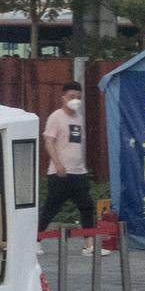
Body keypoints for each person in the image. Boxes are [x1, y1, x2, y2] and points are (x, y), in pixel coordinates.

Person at [40, 81, 98, 250]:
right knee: (51, 208)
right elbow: (49, 141)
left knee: (87, 206)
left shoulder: (79, 118)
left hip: (79, 172)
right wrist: (58, 164)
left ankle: (89, 244)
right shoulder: (56, 117)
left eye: (78, 98)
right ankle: (36, 240)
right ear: (63, 98)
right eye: (72, 97)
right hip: (60, 172)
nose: (75, 100)